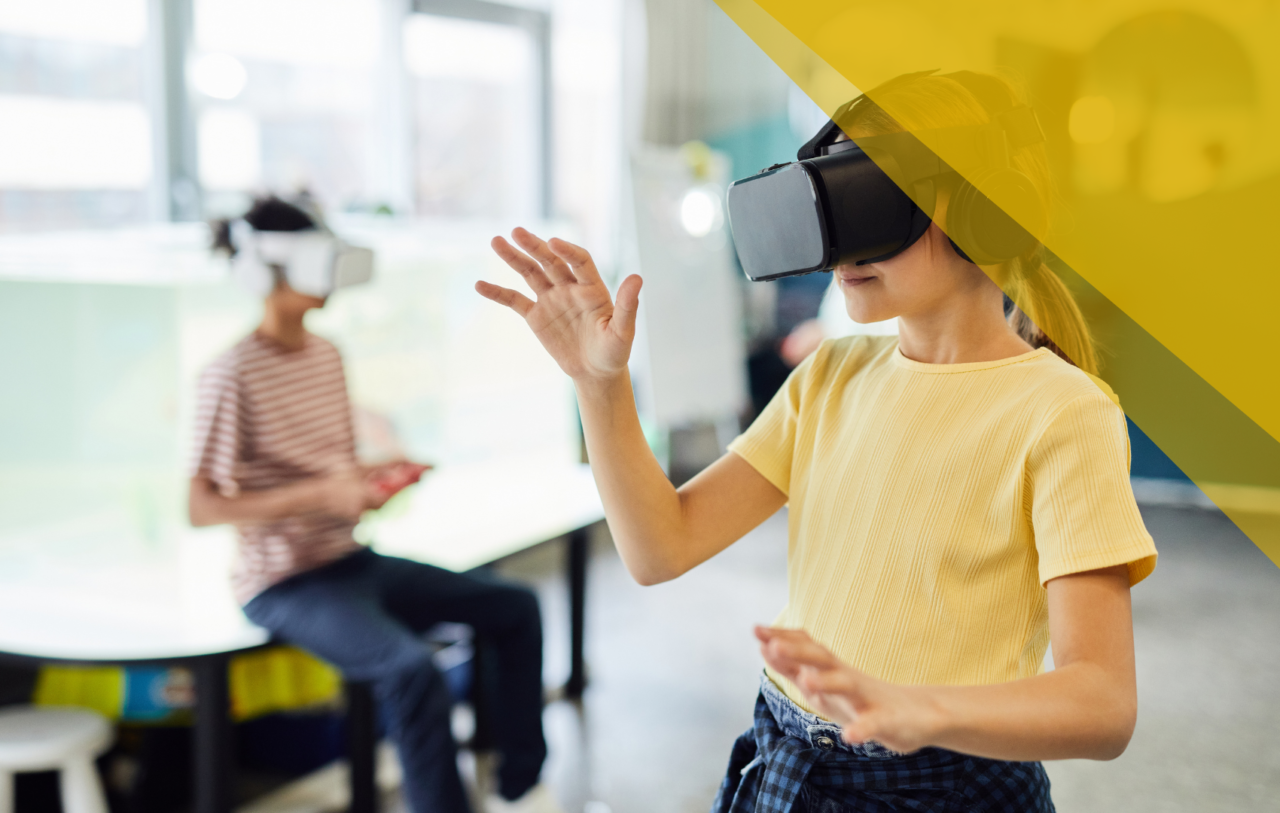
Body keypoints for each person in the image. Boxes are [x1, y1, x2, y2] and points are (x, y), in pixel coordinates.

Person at [476, 71, 1157, 812]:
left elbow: (1103, 702)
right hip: (787, 754)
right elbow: (660, 547)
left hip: (942, 783)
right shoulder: (831, 373)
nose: (844, 247)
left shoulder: (1062, 411)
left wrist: (921, 707)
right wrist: (599, 386)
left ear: (984, 211)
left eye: (876, 202)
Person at [190, 196, 559, 813]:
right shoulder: (228, 374)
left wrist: (375, 480)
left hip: (351, 560)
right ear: (266, 271)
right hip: (283, 583)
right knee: (411, 669)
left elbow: (332, 472)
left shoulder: (326, 354)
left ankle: (519, 786)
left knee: (514, 606)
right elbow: (200, 506)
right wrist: (324, 494)